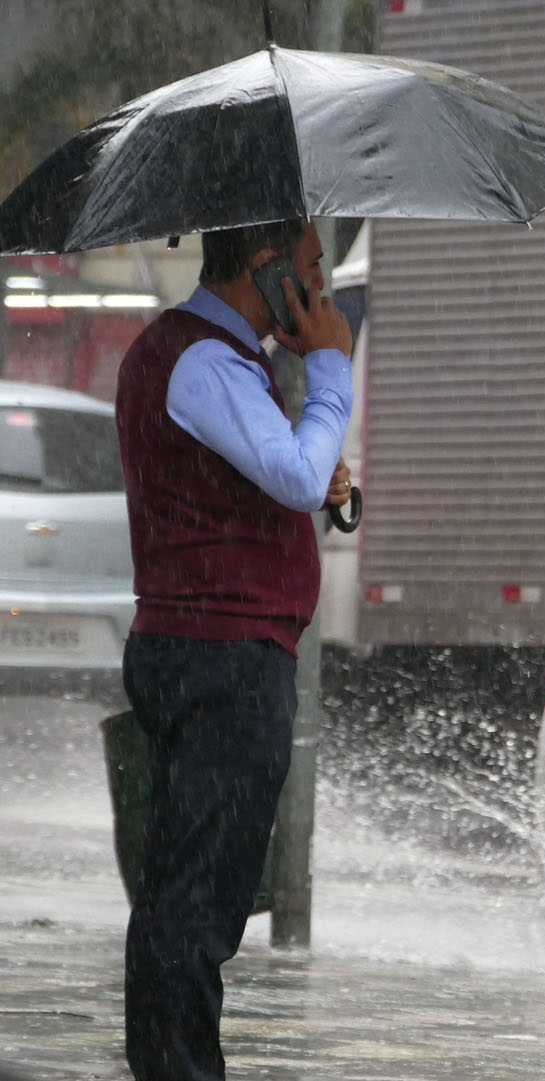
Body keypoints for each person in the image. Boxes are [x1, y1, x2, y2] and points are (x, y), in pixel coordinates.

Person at [115, 219, 354, 1081]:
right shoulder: (202, 359)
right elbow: (291, 476)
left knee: (183, 895)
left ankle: (170, 1063)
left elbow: (284, 477)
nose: (322, 292)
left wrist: (316, 461)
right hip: (220, 655)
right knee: (197, 908)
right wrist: (330, 369)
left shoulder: (208, 359)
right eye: (314, 269)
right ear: (270, 271)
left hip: (206, 648)